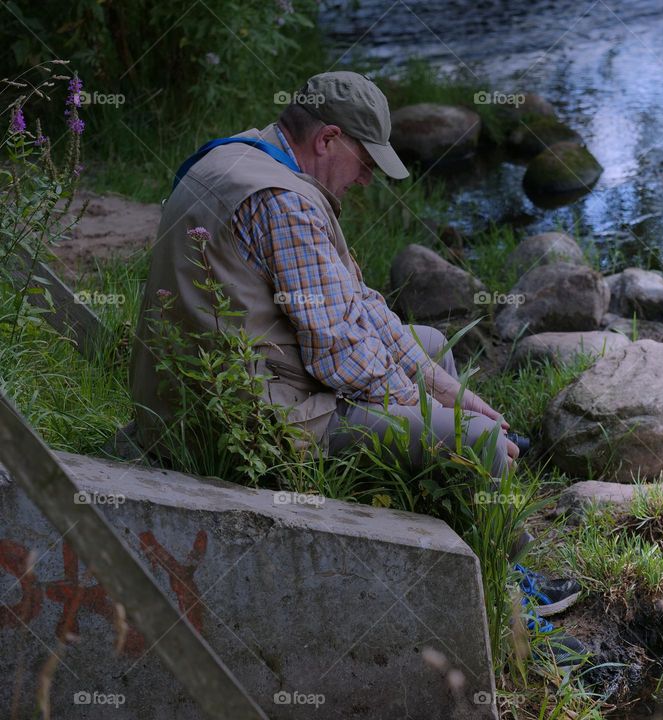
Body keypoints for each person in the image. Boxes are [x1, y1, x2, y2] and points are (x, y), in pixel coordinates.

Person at [129, 70, 584, 669]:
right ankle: (509, 619)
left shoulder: (246, 155)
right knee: (477, 445)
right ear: (328, 139)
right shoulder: (284, 203)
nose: (369, 177)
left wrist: (441, 386)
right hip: (249, 422)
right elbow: (338, 354)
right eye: (365, 161)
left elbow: (356, 304)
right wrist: (441, 411)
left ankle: (487, 548)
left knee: (431, 347)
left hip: (206, 388)